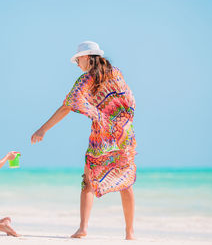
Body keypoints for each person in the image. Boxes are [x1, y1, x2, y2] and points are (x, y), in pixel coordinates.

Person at [31, 41, 137, 240]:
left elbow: (67, 106)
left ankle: (83, 228)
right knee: (126, 182)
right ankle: (129, 233)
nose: (77, 63)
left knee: (87, 180)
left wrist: (42, 129)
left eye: (78, 59)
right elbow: (129, 101)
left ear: (88, 57)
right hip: (123, 133)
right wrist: (119, 122)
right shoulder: (116, 72)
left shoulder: (85, 80)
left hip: (102, 135)